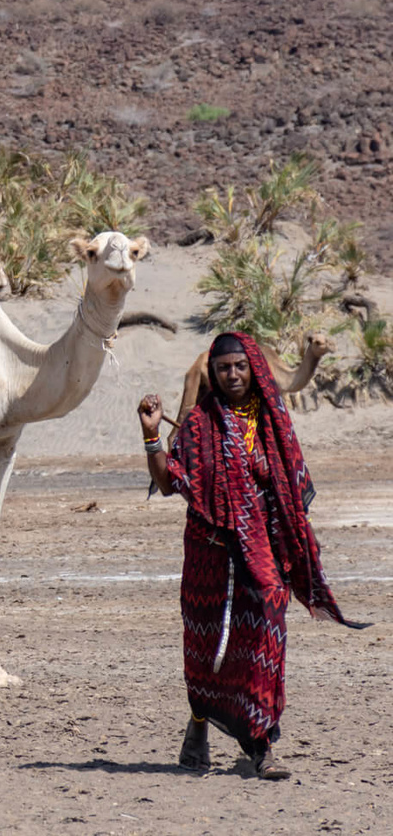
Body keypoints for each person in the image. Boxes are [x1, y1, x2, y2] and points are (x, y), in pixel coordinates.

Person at [138, 332, 365, 779]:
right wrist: (151, 437)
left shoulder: (273, 421)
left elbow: (292, 484)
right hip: (210, 552)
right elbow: (169, 483)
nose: (233, 375)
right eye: (224, 369)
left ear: (252, 368)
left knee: (266, 632)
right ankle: (199, 725)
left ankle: (261, 746)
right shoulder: (199, 423)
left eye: (240, 366)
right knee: (206, 647)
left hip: (262, 548)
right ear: (213, 374)